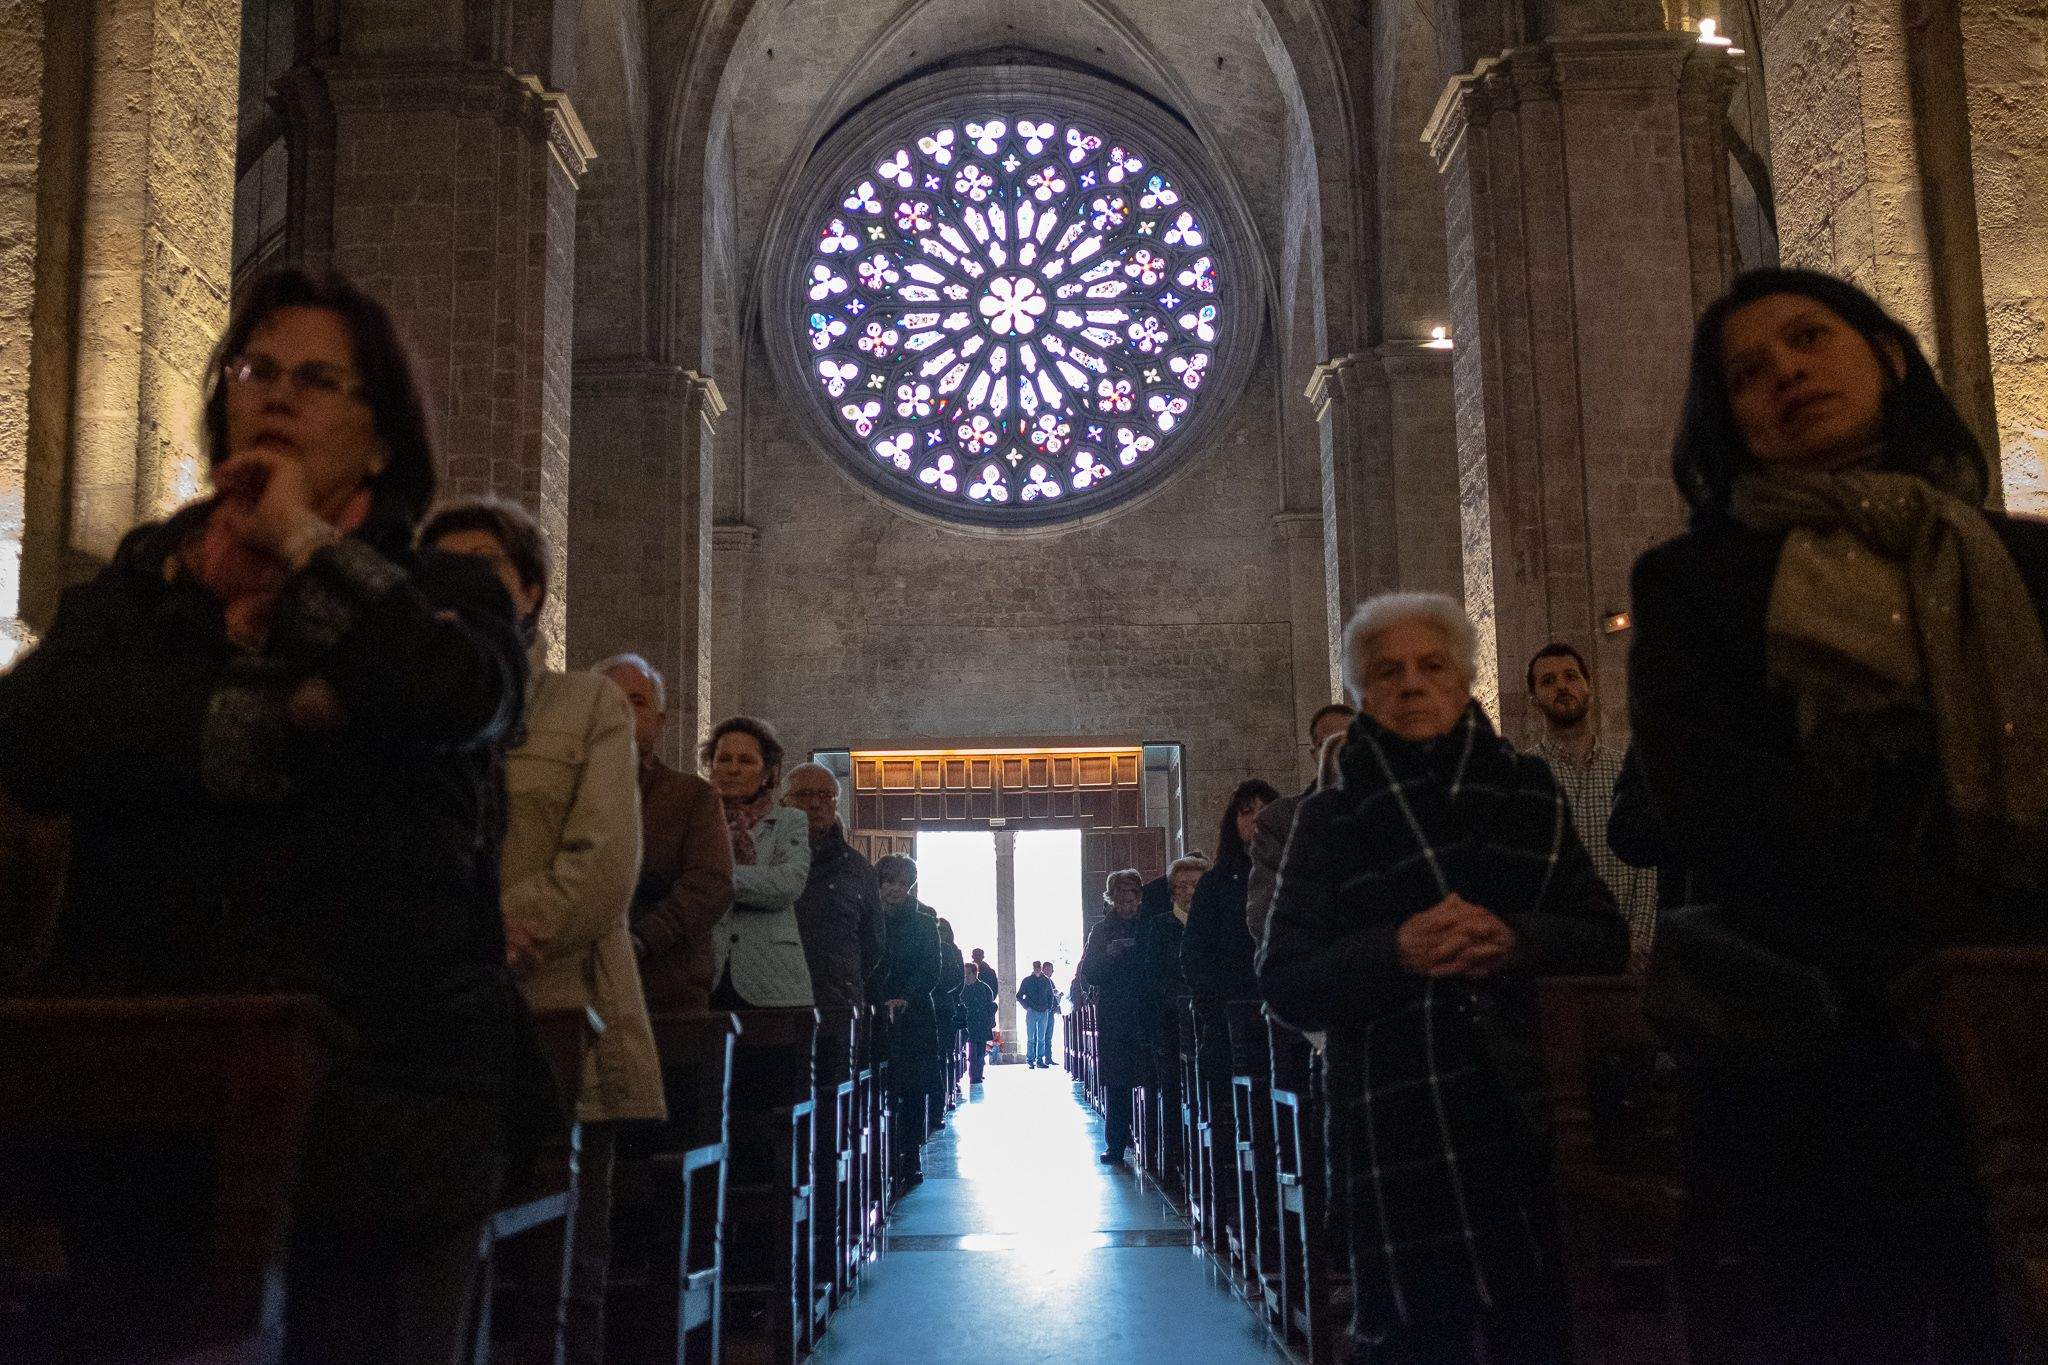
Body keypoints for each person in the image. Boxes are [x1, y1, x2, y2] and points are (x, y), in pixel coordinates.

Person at [0, 267, 548, 1363]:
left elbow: (446, 695)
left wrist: (307, 547)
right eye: (254, 370)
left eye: (317, 378)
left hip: (386, 1095)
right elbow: (36, 735)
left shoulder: (449, 592)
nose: (276, 395)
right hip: (144, 1090)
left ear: (382, 436)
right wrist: (286, 718)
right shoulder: (141, 586)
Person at [1629, 267, 2048, 1360]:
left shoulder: (2020, 564)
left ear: (1890, 356)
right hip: (1815, 1031)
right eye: (1745, 375)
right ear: (1727, 421)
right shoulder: (1692, 587)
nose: (1785, 376)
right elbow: (1723, 812)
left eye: (1809, 338)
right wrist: (1938, 945)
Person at [1259, 592, 1628, 1364]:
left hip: (1524, 1104)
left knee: (1534, 1330)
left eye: (1432, 665)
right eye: (1388, 670)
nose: (1412, 683)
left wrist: (1515, 939)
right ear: (1362, 694)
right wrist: (1394, 949)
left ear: (1464, 682)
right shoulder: (1328, 821)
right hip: (1393, 1121)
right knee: (1415, 1337)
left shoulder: (1526, 790)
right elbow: (1287, 980)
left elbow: (1602, 934)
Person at [423, 498, 662, 1365]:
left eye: (485, 564)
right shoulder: (401, 701)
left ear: (531, 591)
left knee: (562, 1278)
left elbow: (603, 860)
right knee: (437, 1278)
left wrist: (490, 939)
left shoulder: (585, 704)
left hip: (561, 1002)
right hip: (425, 1021)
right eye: (439, 565)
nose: (461, 583)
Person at [593, 653, 735, 1014]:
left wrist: (641, 939)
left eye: (637, 701)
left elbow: (709, 884)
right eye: (610, 699)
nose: (623, 710)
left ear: (659, 721)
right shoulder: (562, 790)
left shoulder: (691, 797)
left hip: (666, 988)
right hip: (582, 987)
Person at [1527, 642, 1659, 967]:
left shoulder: (1627, 767)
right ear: (1534, 698)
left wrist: (1637, 939)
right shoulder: (1525, 776)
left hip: (1638, 956)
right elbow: (1532, 874)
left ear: (1589, 686)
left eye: (1571, 676)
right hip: (1562, 959)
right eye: (1548, 681)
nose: (1562, 686)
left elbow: (1647, 868)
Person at [703, 716, 813, 1009]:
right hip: (704, 975)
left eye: (746, 760)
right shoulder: (696, 821)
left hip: (771, 982)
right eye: (724, 759)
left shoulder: (790, 821)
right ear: (711, 767)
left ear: (766, 772)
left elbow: (787, 883)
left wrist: (716, 878)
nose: (734, 769)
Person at [1247, 702, 1355, 943]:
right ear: (1315, 753)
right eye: (1330, 745)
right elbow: (1264, 914)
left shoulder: (1385, 806)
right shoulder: (1280, 820)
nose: (1339, 755)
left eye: (1349, 744)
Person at [783, 762, 885, 1010]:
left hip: (836, 1003)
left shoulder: (857, 868)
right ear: (784, 802)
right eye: (804, 795)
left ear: (835, 803)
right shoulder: (763, 856)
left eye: (825, 795)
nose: (815, 804)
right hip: (774, 999)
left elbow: (873, 943)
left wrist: (843, 976)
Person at [873, 854, 943, 1182]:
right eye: (889, 882)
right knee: (877, 1085)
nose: (895, 890)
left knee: (912, 1088)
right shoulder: (867, 916)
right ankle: (878, 1153)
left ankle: (911, 1153)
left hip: (913, 1014)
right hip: (873, 1010)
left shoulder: (925, 921)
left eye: (903, 883)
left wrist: (906, 996)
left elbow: (932, 967)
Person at [1181, 780, 1280, 1009]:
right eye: (1246, 812)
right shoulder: (1216, 883)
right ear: (1233, 823)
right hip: (1234, 1005)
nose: (1256, 818)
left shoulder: (1296, 870)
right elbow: (1195, 951)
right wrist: (1215, 1000)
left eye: (1264, 810)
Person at [1078, 869, 1152, 1166]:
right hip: (1116, 1013)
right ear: (1112, 899)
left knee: (1148, 1077)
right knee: (1117, 1081)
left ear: (1139, 898)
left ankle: (1151, 1141)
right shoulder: (1101, 931)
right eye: (1120, 897)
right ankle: (1116, 1144)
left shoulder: (1150, 926)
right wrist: (1109, 954)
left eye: (1131, 896)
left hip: (1145, 1008)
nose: (1126, 902)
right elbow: (1090, 973)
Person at [933, 917, 966, 1119]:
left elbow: (958, 981)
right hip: (940, 1004)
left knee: (945, 1054)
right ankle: (939, 1099)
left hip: (945, 1007)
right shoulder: (930, 946)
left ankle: (946, 1094)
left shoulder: (953, 951)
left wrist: (942, 992)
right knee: (939, 1056)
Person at [960, 962, 997, 1084]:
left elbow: (991, 1006)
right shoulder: (961, 989)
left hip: (981, 1024)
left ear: (975, 974)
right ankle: (973, 1076)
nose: (966, 977)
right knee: (972, 1053)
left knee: (980, 1052)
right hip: (968, 1025)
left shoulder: (985, 988)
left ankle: (977, 1075)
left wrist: (988, 1021)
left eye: (968, 974)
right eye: (964, 974)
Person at [1017, 960, 1058, 1068]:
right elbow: (1019, 996)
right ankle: (1031, 1059)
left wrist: (1048, 1007)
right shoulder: (1027, 980)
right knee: (1031, 1037)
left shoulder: (1046, 981)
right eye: (1035, 967)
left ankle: (1039, 1060)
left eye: (1038, 967)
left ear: (1040, 967)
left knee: (1041, 1037)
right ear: (1033, 967)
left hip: (1043, 1011)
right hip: (1033, 1011)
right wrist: (1027, 1007)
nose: (1037, 969)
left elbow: (1050, 996)